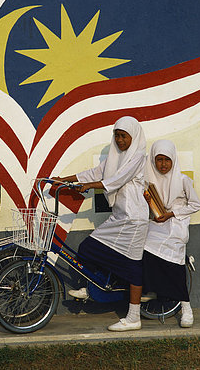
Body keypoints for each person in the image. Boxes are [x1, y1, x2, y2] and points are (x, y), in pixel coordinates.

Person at [54, 116, 150, 332]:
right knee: (88, 248)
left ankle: (133, 317)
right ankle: (95, 286)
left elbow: (116, 181)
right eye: (116, 135)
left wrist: (87, 186)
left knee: (133, 266)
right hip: (120, 217)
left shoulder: (137, 158)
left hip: (134, 219)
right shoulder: (116, 158)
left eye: (124, 136)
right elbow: (95, 172)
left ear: (134, 137)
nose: (119, 140)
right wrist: (63, 180)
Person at [142, 139, 200, 328]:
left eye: (167, 160)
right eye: (158, 160)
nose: (163, 164)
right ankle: (151, 288)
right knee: (143, 246)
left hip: (176, 225)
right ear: (153, 160)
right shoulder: (149, 182)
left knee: (174, 262)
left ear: (173, 160)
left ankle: (186, 308)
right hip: (158, 224)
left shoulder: (183, 180)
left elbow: (195, 205)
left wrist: (172, 213)